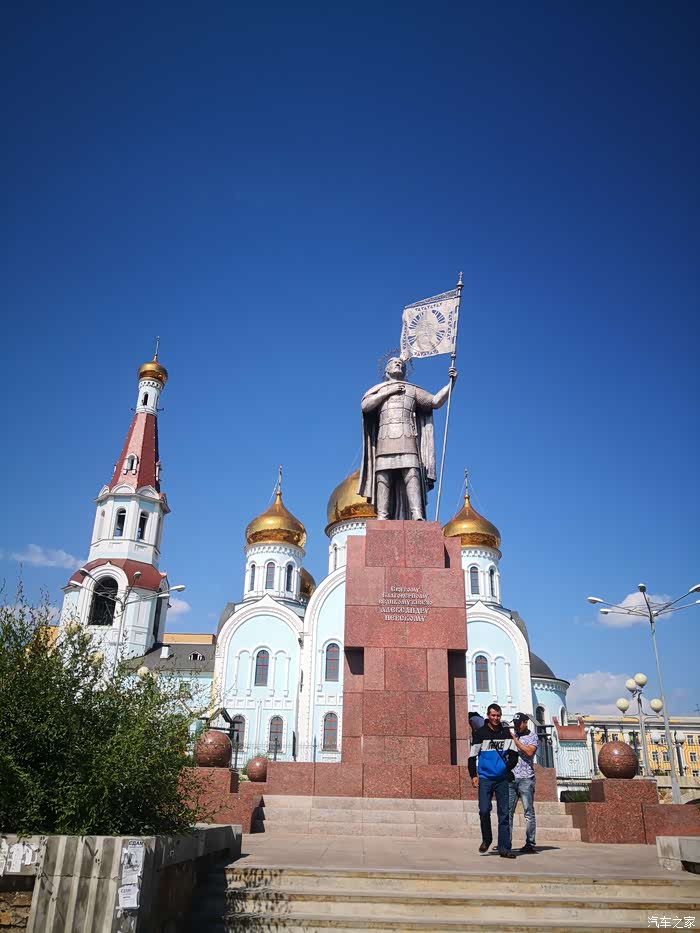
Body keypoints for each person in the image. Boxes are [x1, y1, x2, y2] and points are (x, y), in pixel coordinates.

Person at [359, 357, 456, 520]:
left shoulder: (412, 390)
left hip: (408, 437)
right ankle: (382, 515)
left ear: (405, 370)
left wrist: (451, 383)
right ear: (386, 370)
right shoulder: (378, 390)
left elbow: (435, 401)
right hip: (384, 437)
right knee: (383, 476)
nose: (398, 364)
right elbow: (365, 406)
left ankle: (416, 513)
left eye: (401, 363)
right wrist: (389, 391)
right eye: (393, 363)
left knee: (411, 473)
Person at [468, 703, 518, 858]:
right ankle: (487, 839)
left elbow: (514, 755)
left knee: (504, 814)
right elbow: (472, 757)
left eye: (498, 715)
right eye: (493, 715)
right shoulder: (480, 733)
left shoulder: (506, 733)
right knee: (484, 810)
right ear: (488, 716)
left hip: (502, 779)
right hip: (485, 778)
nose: (495, 718)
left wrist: (505, 768)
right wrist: (473, 775)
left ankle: (504, 848)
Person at [509, 712, 539, 853]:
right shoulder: (514, 736)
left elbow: (529, 752)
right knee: (508, 812)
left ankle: (530, 843)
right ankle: (505, 842)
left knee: (528, 812)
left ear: (525, 722)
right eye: (514, 723)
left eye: (518, 723)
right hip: (512, 778)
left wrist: (515, 742)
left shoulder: (532, 736)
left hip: (526, 779)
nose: (516, 726)